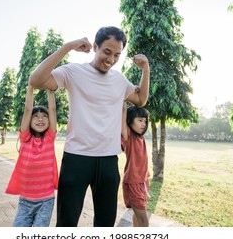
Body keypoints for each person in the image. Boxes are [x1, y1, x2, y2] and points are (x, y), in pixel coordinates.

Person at [29, 26, 150, 227]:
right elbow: (36, 80)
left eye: (117, 55)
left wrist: (146, 70)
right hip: (77, 158)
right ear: (95, 46)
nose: (111, 60)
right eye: (107, 52)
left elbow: (140, 99)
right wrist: (67, 47)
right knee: (66, 223)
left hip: (109, 160)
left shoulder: (119, 79)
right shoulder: (73, 71)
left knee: (105, 223)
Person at [5, 86, 58, 227]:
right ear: (29, 120)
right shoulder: (25, 137)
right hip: (25, 200)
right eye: (36, 117)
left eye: (44, 116)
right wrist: (31, 88)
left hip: (46, 200)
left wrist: (49, 90)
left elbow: (52, 109)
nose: (40, 119)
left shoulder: (49, 138)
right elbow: (28, 109)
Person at [121, 102, 150, 227]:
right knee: (144, 220)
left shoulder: (140, 137)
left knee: (138, 216)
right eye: (140, 120)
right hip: (133, 182)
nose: (144, 124)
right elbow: (122, 115)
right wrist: (124, 99)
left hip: (143, 182)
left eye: (145, 121)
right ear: (129, 121)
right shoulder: (129, 136)